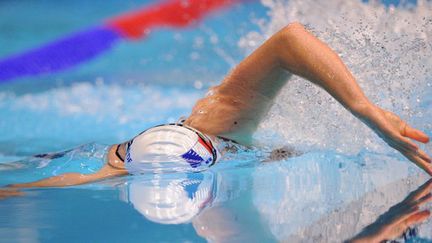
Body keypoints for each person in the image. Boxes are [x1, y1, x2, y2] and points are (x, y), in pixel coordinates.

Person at [3, 22, 431, 189]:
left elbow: (290, 40)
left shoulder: (221, 121)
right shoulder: (128, 168)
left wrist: (363, 109)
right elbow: (57, 183)